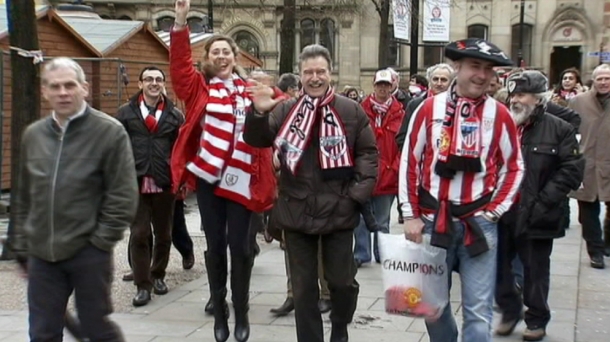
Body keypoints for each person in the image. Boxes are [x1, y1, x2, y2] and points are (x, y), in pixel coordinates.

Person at [244, 44, 378, 342]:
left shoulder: (350, 110)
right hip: (296, 210)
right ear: (300, 75)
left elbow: (368, 153)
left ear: (330, 73)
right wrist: (256, 112)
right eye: (308, 72)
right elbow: (257, 139)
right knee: (304, 289)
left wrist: (355, 195)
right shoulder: (286, 109)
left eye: (320, 71)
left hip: (339, 210)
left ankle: (340, 328)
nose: (314, 78)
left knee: (342, 283)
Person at [399, 38, 524, 342]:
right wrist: (410, 215)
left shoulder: (501, 115)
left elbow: (514, 166)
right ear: (458, 67)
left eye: (488, 69)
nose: (481, 75)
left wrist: (494, 211)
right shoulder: (429, 108)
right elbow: (410, 162)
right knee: (431, 308)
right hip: (432, 222)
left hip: (478, 224)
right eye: (474, 67)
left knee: (478, 312)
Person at [10, 57, 138, 341]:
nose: (63, 92)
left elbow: (124, 194)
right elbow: (23, 194)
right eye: (55, 87)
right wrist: (20, 245)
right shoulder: (34, 135)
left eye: (69, 85)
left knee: (96, 328)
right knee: (42, 331)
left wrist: (101, 241)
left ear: (85, 88)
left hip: (88, 251)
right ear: (44, 91)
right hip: (43, 254)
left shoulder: (109, 132)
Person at [169, 1, 277, 341]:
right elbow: (179, 67)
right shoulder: (199, 88)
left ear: (235, 56)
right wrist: (181, 21)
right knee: (215, 247)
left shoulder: (252, 89)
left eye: (226, 51)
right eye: (214, 51)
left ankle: (242, 312)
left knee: (242, 248)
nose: (221, 56)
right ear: (208, 58)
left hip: (244, 179)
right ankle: (219, 313)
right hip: (209, 179)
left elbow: (283, 110)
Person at [495, 70, 584, 341]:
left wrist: (543, 202)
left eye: (521, 95)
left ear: (539, 99)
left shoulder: (560, 128)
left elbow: (571, 170)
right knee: (497, 268)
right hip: (503, 211)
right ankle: (510, 310)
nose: (514, 100)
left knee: (535, 271)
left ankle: (536, 319)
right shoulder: (503, 125)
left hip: (538, 214)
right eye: (513, 94)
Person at [116, 66, 184, 307]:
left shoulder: (175, 115)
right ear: (140, 84)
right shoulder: (125, 113)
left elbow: (181, 149)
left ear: (163, 84)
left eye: (158, 79)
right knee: (139, 233)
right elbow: (117, 146)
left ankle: (158, 276)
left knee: (164, 234)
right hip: (134, 181)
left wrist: (181, 178)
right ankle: (142, 285)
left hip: (164, 182)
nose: (154, 83)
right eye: (149, 79)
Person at [353, 69, 405, 267]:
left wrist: (396, 168)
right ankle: (361, 253)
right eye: (379, 85)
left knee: (383, 220)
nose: (383, 89)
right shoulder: (359, 110)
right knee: (360, 218)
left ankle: (382, 253)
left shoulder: (401, 113)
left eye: (387, 85)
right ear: (373, 86)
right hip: (365, 173)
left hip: (388, 174)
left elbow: (404, 145)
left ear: (392, 87)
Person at [568, 63, 610, 269]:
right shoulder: (578, 102)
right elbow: (568, 131)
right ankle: (595, 251)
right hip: (586, 163)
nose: (604, 82)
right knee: (588, 209)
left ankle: (607, 244)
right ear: (593, 80)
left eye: (607, 78)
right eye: (600, 78)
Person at [395, 63, 454, 150]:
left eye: (444, 80)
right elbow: (402, 137)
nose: (439, 83)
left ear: (451, 83)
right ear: (429, 82)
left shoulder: (456, 107)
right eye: (435, 79)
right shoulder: (416, 105)